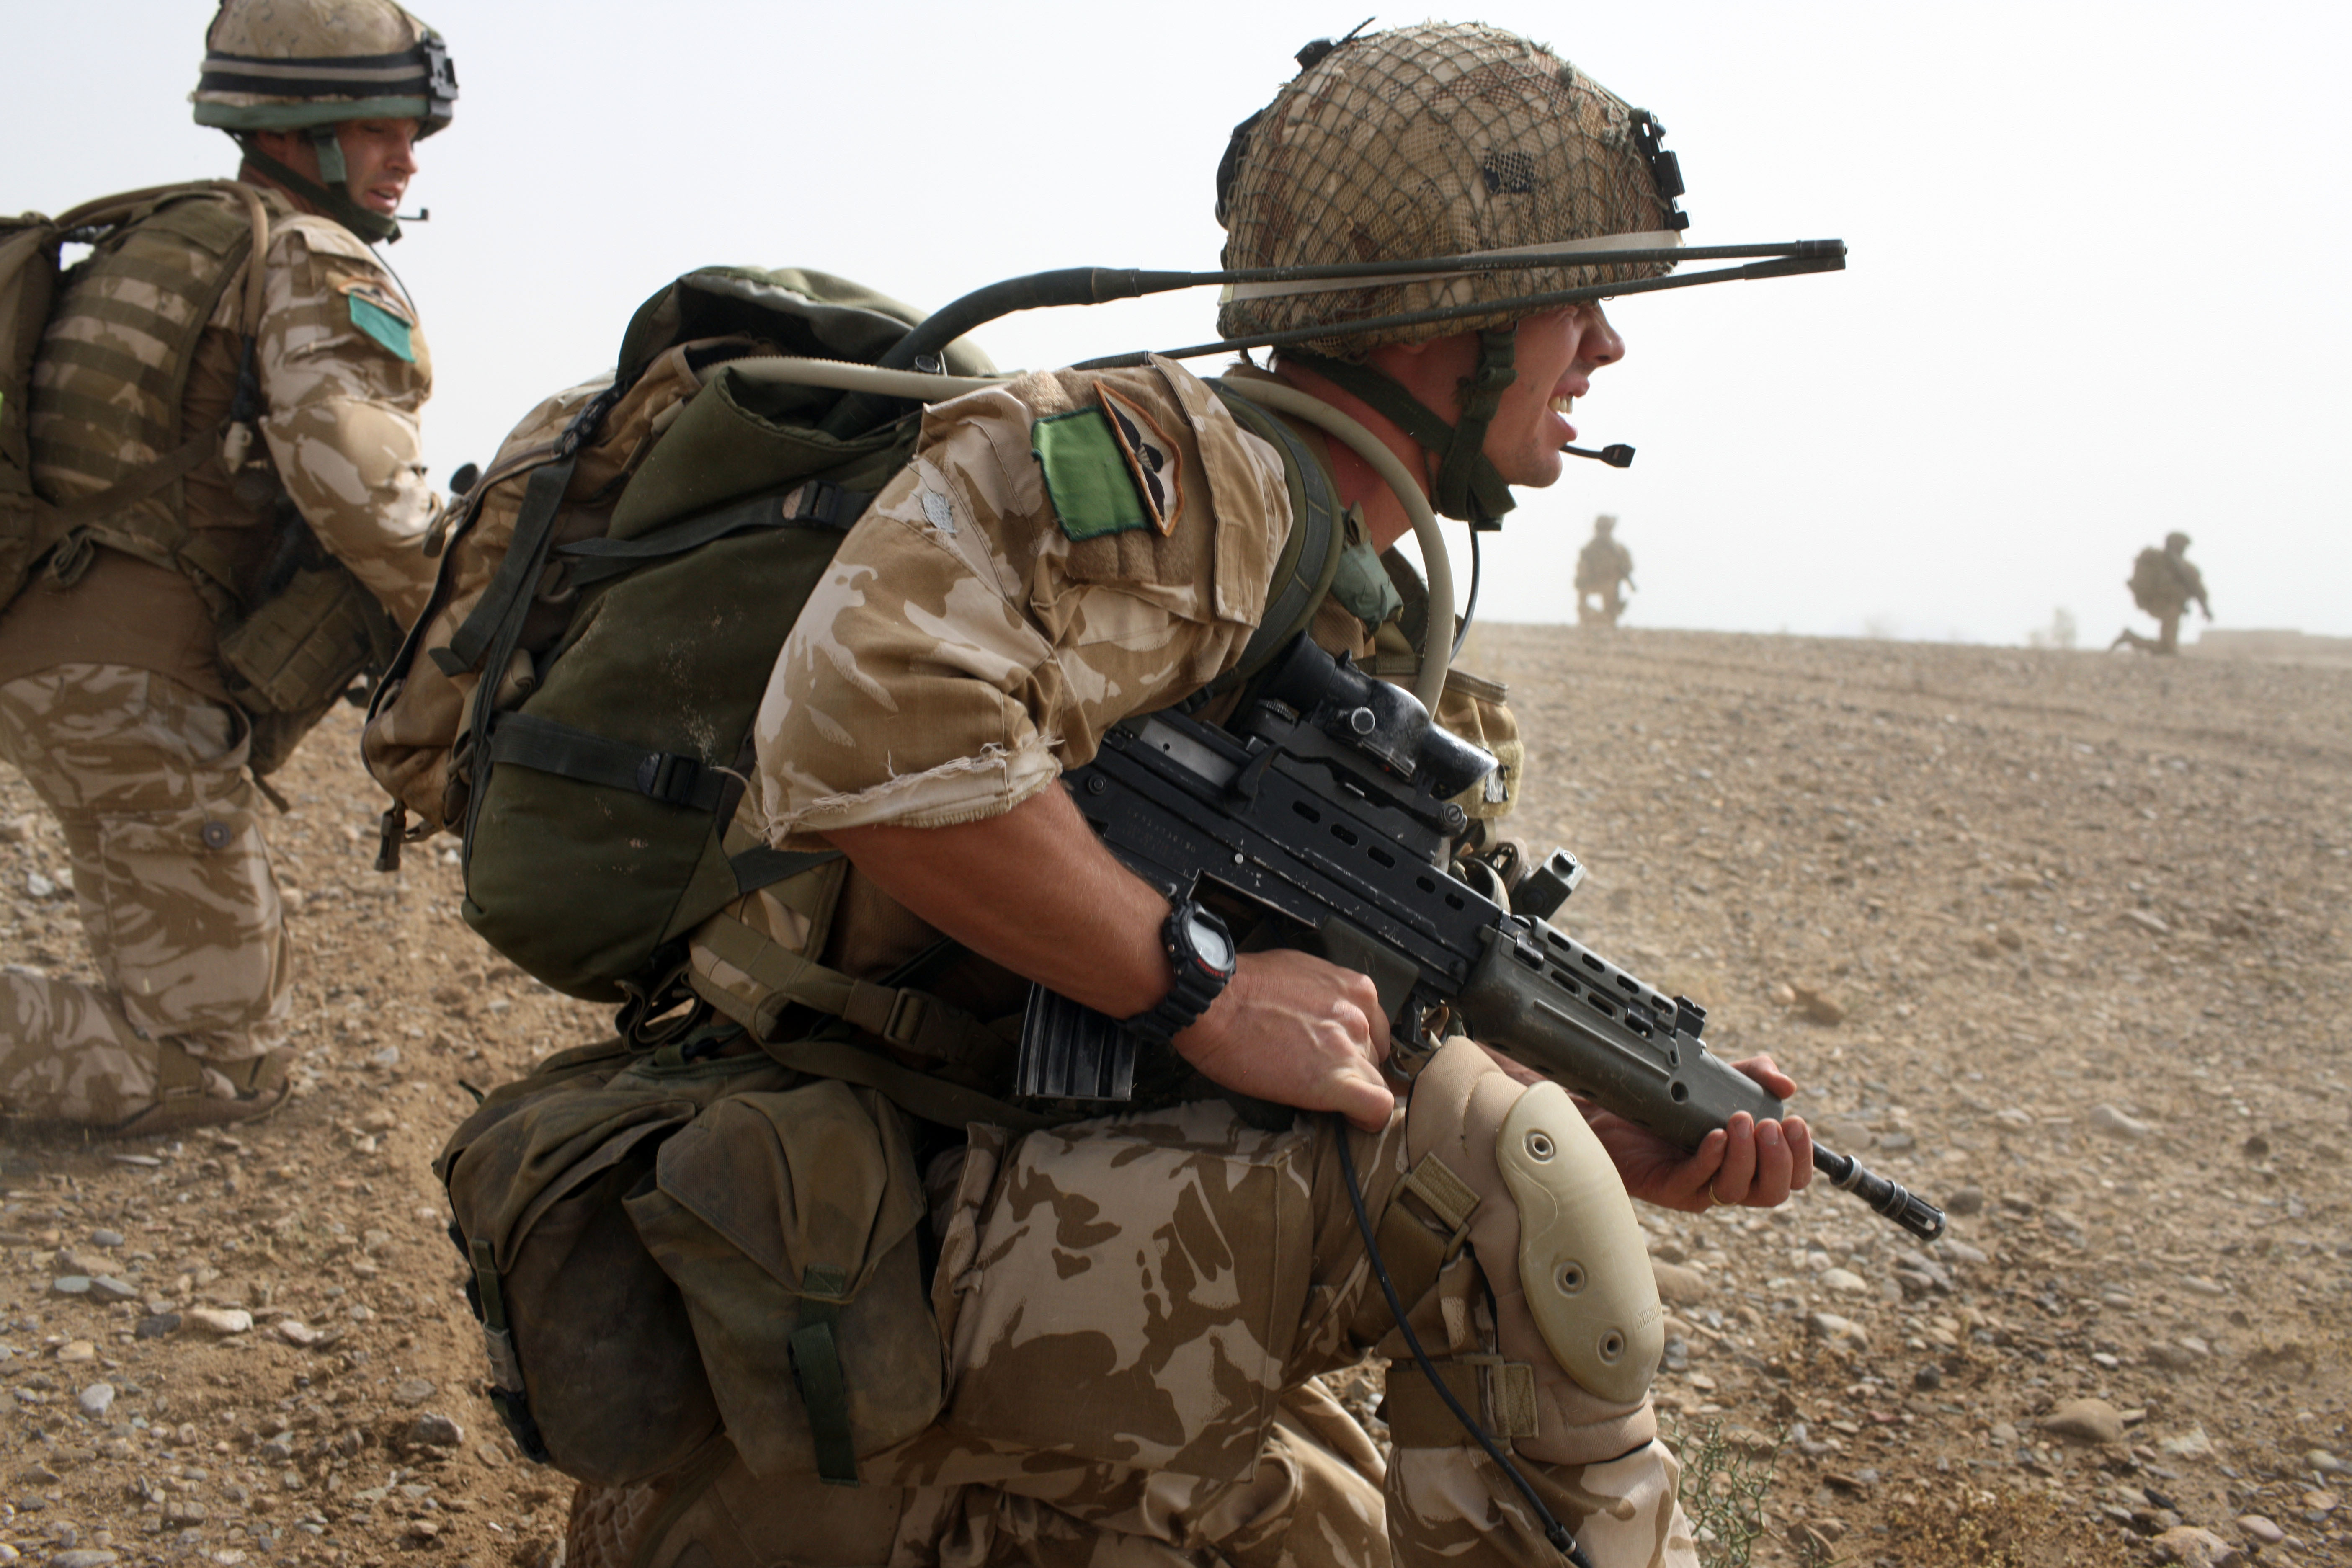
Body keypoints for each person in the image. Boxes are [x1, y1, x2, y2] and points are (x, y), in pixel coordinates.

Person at [562, 24, 1816, 1568]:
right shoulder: (1179, 474)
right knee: (1506, 1169)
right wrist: (1201, 988)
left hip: (947, 1228)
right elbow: (861, 723)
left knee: (1468, 1274)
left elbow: (1333, 1020)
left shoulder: (1355, 600)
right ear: (1458, 314)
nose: (1606, 350)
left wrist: (1595, 1121)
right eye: (1580, 302)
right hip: (839, 1250)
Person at [0, 0, 456, 1133]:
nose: (407, 158)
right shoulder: (308, 255)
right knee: (218, 1064)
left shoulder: (159, 236)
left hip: (63, 660)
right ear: (300, 127)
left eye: (413, 133)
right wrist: (484, 620)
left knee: (192, 996)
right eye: (382, 128)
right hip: (133, 689)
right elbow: (367, 499)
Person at [2111, 531, 2210, 655]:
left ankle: (2131, 638)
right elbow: (2198, 590)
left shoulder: (2177, 565)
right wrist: (2205, 608)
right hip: (2166, 605)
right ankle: (2134, 639)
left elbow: (2197, 588)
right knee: (2168, 649)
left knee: (2166, 648)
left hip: (2163, 604)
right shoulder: (2165, 562)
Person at [1575, 514, 1635, 626]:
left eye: (1606, 528)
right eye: (1601, 528)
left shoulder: (1618, 549)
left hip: (1610, 583)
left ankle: (1608, 619)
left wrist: (1621, 572)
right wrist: (1583, 580)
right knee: (1583, 603)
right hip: (1592, 582)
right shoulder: (1590, 549)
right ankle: (1590, 621)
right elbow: (1582, 569)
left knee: (1610, 600)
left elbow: (1629, 566)